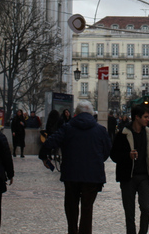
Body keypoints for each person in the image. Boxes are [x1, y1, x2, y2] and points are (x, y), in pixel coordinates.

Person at [40, 100, 112, 234]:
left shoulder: (67, 128)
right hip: (92, 175)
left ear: (76, 113)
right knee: (87, 208)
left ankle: (72, 230)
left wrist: (44, 156)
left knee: (71, 206)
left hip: (71, 173)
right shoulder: (100, 130)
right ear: (91, 114)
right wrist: (96, 161)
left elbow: (50, 142)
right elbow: (107, 151)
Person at [111, 104, 149, 234]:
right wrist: (127, 156)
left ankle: (143, 232)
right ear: (136, 117)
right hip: (128, 176)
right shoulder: (123, 134)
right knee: (129, 211)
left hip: (145, 176)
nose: (147, 119)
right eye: (145, 117)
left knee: (146, 207)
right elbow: (114, 154)